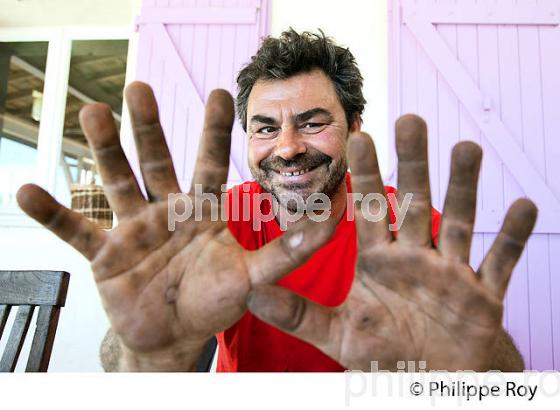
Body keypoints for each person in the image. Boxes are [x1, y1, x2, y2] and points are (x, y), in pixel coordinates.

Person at [16, 29, 536, 372]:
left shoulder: (407, 226)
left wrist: (468, 363)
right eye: (266, 128)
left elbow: (499, 373)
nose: (287, 148)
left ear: (354, 126)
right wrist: (148, 353)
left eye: (312, 123)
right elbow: (125, 369)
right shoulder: (207, 224)